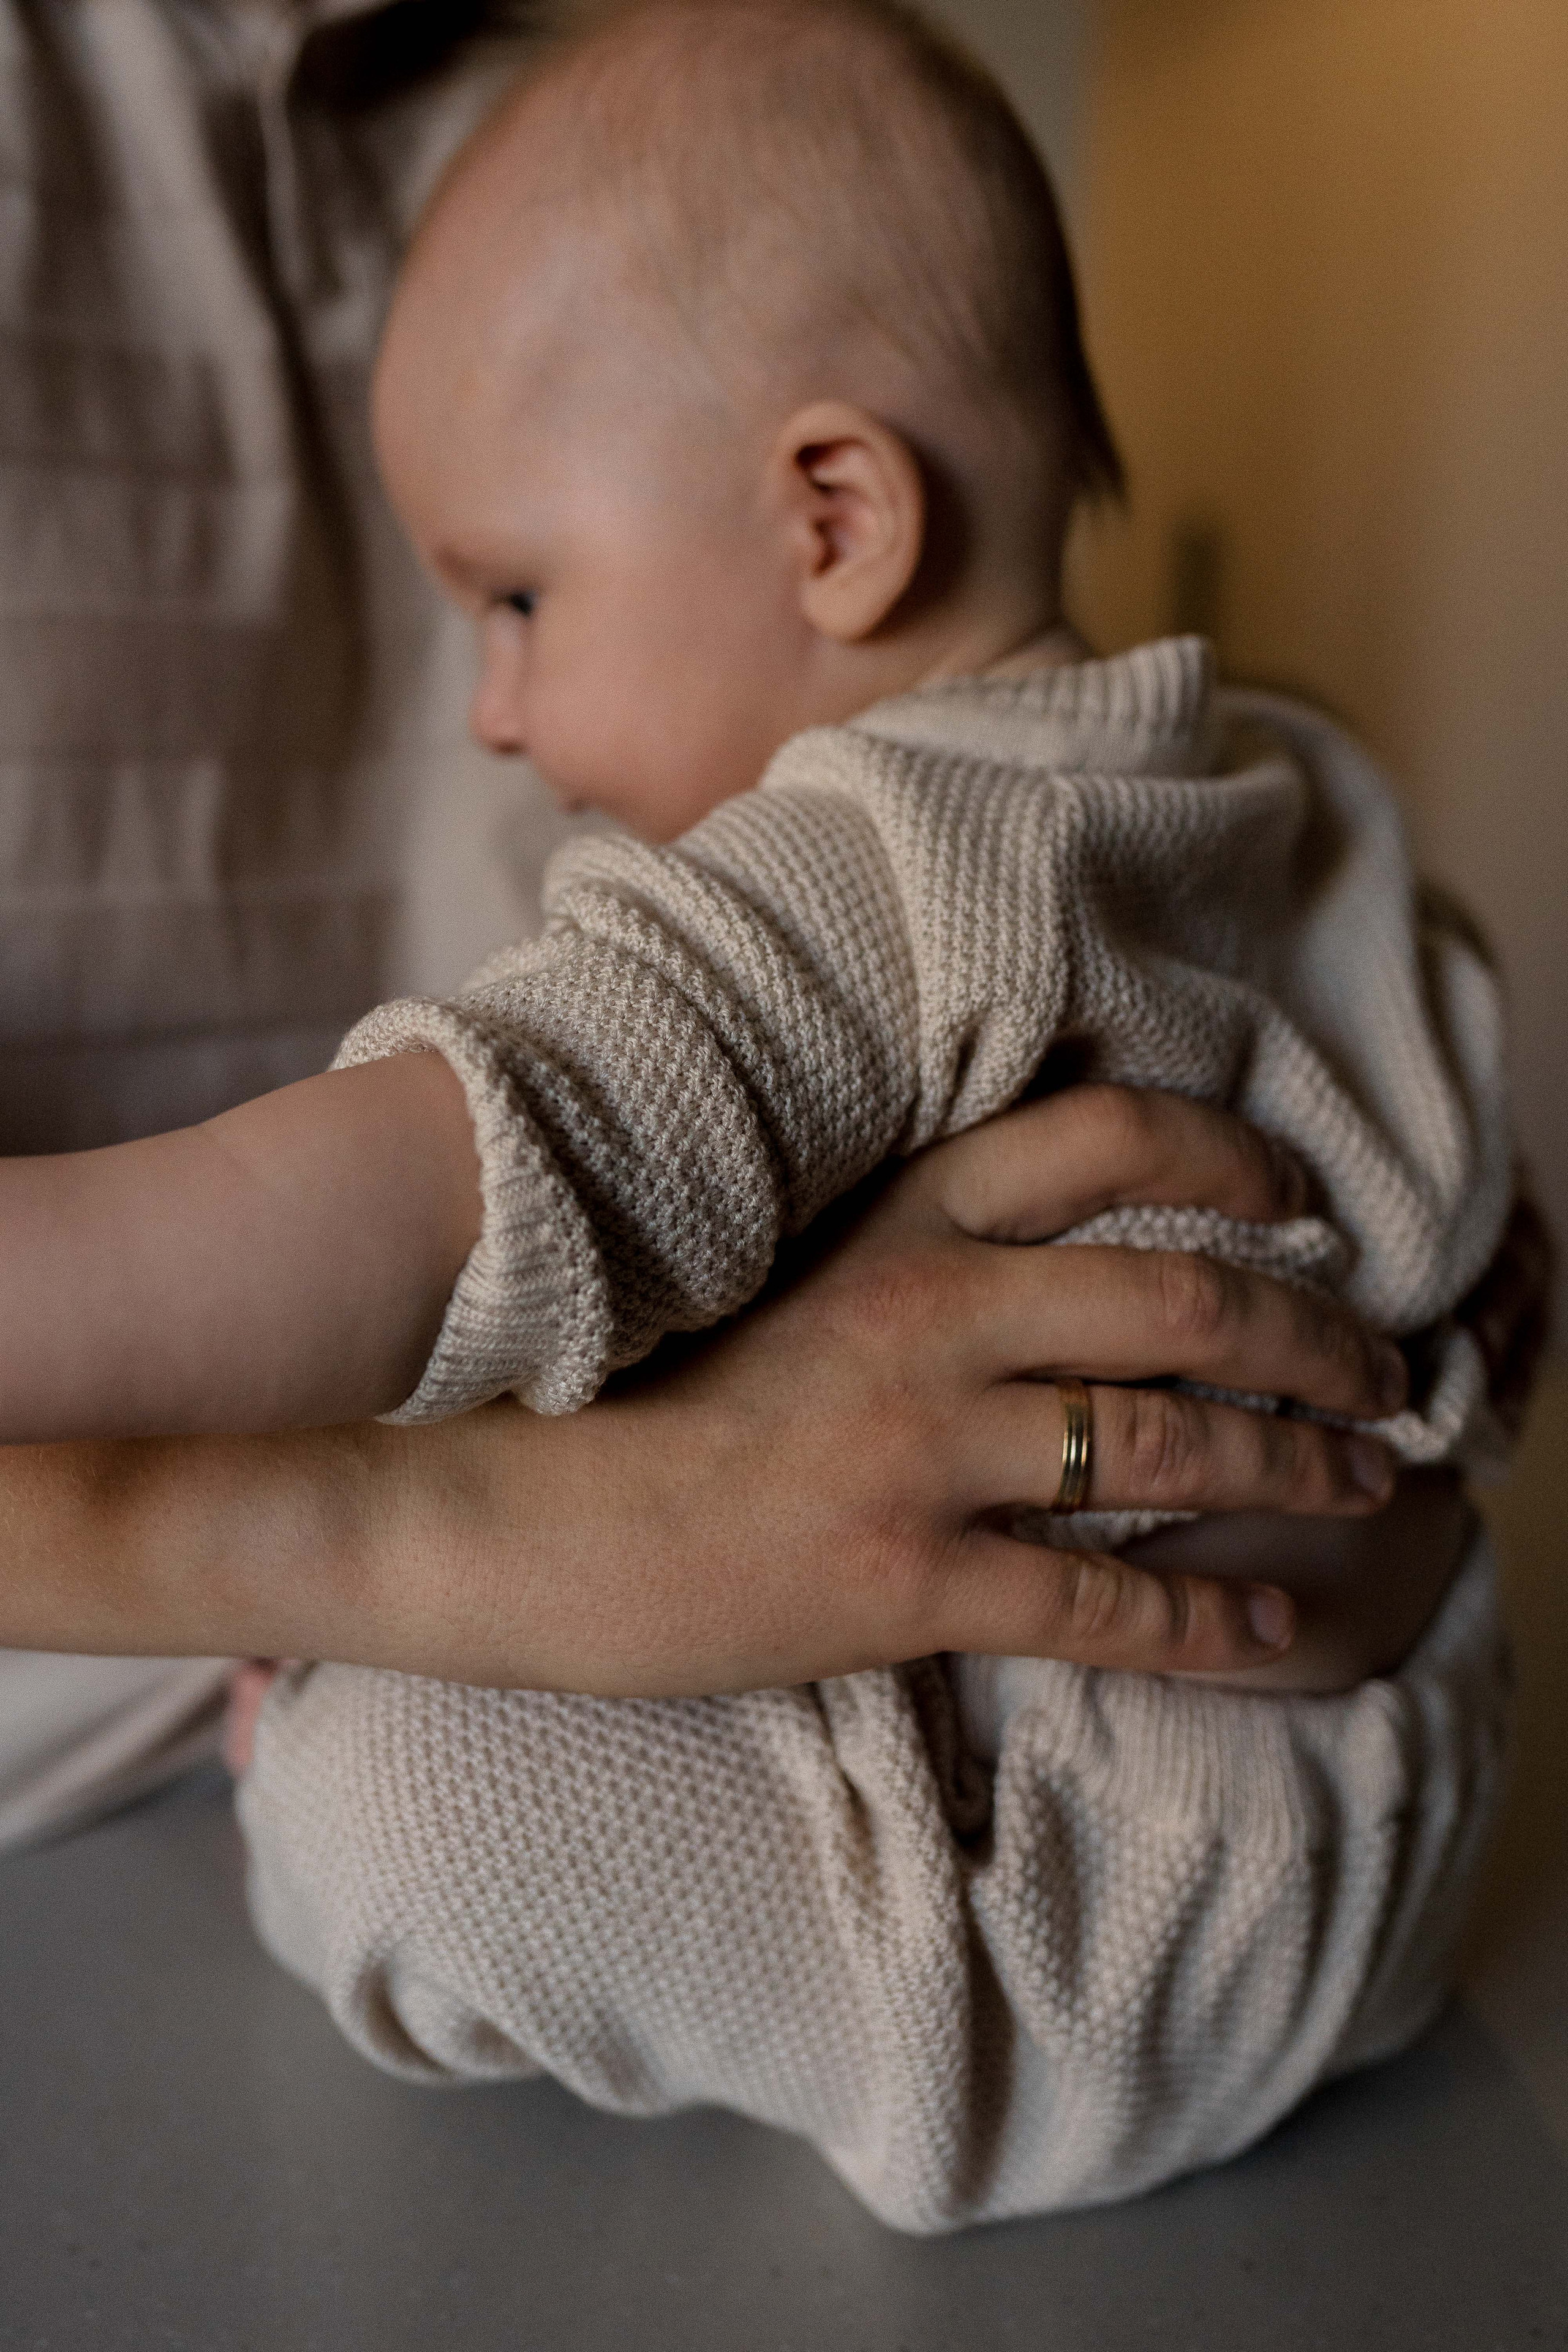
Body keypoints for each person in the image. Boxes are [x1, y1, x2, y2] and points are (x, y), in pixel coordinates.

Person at [0, 0, 1538, 2231]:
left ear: (836, 514)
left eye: (518, 598)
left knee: (371, 1795)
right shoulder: (1272, 778)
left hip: (1071, 1911)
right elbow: (1467, 1216)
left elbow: (459, 1181)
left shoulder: (881, 872)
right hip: (1402, 1780)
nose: (503, 717)